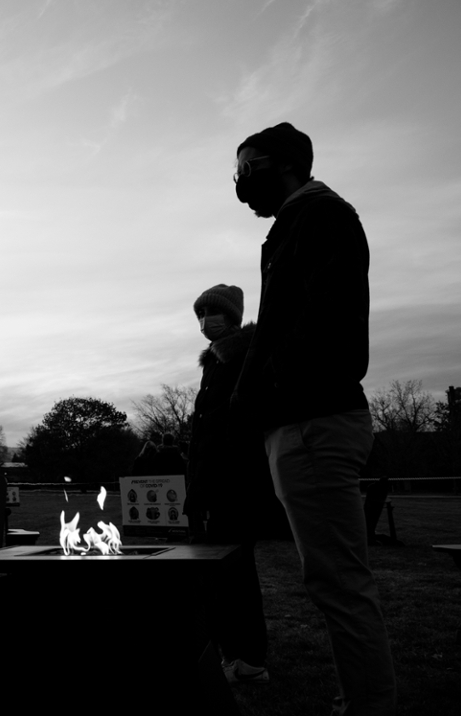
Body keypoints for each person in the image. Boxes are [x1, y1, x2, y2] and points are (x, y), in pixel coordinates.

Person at [231, 123, 396, 715]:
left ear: (284, 165)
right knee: (330, 580)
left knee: (339, 583)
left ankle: (369, 707)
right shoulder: (292, 227)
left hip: (315, 423)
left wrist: (266, 389)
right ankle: (362, 697)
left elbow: (325, 326)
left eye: (245, 169)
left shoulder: (323, 217)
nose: (239, 185)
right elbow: (280, 328)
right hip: (297, 422)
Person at [184, 284, 273, 684]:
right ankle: (230, 655)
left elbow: (235, 426)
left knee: (235, 575)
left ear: (233, 316)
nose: (206, 321)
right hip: (210, 485)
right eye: (200, 314)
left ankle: (249, 659)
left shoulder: (246, 356)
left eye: (213, 312)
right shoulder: (214, 363)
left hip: (234, 483)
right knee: (215, 577)